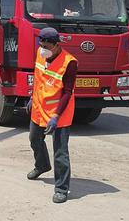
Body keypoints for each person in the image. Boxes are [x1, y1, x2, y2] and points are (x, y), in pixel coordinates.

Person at [26, 27, 78, 203]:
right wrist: (32, 98)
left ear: (56, 45)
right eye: (41, 44)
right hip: (39, 108)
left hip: (59, 113)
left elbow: (67, 92)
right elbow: (38, 78)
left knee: (60, 152)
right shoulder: (42, 54)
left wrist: (56, 116)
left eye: (46, 45)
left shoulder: (69, 62)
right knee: (34, 139)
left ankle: (61, 189)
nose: (42, 48)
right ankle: (42, 165)